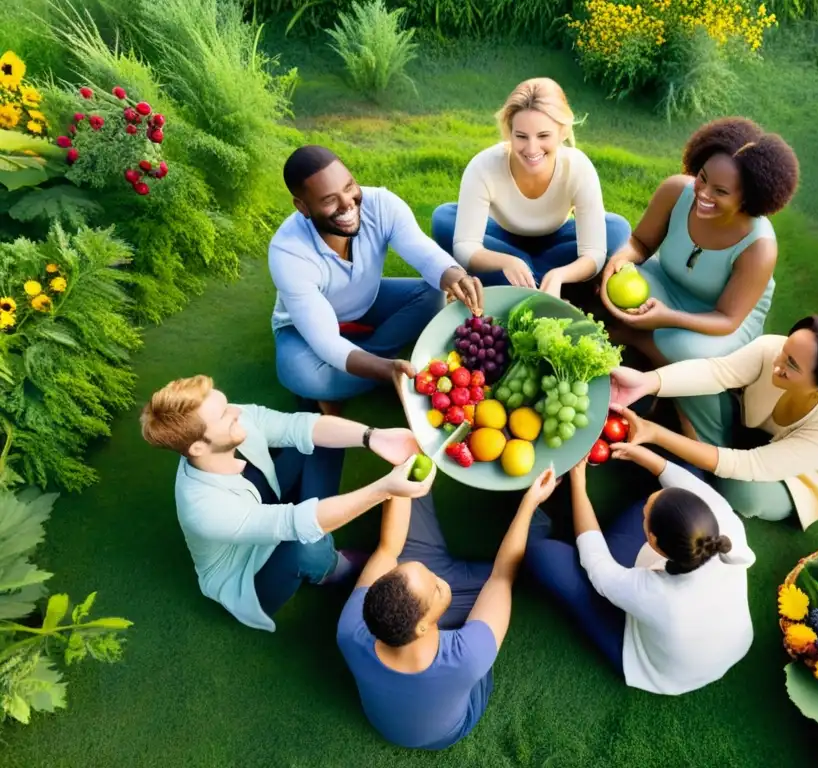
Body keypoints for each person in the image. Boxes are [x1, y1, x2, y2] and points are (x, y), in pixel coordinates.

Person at [139, 374, 430, 632]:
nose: (238, 411)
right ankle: (332, 569)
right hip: (251, 573)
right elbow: (293, 524)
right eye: (225, 415)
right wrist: (384, 489)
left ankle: (324, 533)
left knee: (323, 440)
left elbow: (297, 427)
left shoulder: (233, 424)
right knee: (306, 546)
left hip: (271, 505)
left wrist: (373, 437)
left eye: (227, 404)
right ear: (198, 447)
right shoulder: (204, 509)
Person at [337, 468, 558, 750]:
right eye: (437, 587)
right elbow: (502, 574)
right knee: (527, 557)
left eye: (426, 573)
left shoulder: (350, 629)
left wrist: (402, 467)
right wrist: (529, 503)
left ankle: (413, 481)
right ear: (423, 625)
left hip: (407, 653)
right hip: (447, 732)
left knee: (410, 491)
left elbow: (387, 550)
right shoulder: (468, 657)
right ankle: (540, 512)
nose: (438, 578)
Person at [270, 144, 485, 414]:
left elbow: (423, 252)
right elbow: (324, 340)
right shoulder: (288, 251)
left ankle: (360, 366)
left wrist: (455, 275)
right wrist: (385, 369)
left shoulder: (381, 205)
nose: (347, 204)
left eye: (349, 187)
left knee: (434, 294)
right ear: (303, 206)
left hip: (367, 300)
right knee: (306, 376)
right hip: (300, 328)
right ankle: (375, 367)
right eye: (329, 200)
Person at [608, 316, 818, 529]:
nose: (777, 362)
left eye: (791, 365)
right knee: (691, 383)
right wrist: (648, 382)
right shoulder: (772, 350)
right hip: (741, 431)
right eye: (785, 349)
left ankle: (699, 453)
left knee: (744, 493)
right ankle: (701, 455)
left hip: (787, 478)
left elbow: (750, 466)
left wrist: (656, 433)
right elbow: (716, 372)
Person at [525, 450, 755, 696]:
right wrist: (639, 453)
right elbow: (679, 478)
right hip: (723, 639)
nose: (646, 509)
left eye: (646, 514)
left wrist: (578, 483)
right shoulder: (724, 523)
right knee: (691, 471)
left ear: (654, 541)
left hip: (655, 664)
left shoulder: (657, 595)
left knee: (543, 557)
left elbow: (598, 565)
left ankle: (533, 518)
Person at [599, 117, 799, 379]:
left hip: (719, 320)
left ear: (747, 198)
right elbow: (640, 243)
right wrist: (620, 259)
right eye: (702, 178)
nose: (703, 194)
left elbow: (727, 319)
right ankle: (648, 338)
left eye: (721, 191)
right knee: (616, 274)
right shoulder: (675, 190)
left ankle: (638, 341)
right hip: (669, 282)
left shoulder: (759, 247)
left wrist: (667, 318)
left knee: (683, 348)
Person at [431, 77, 631, 300]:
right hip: (501, 240)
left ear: (562, 132)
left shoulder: (578, 168)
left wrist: (560, 275)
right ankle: (539, 282)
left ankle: (526, 282)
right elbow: (465, 247)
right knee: (444, 218)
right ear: (509, 132)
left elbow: (593, 253)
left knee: (616, 228)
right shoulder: (483, 166)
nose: (532, 149)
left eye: (544, 135)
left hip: (557, 242)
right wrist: (507, 261)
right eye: (521, 136)